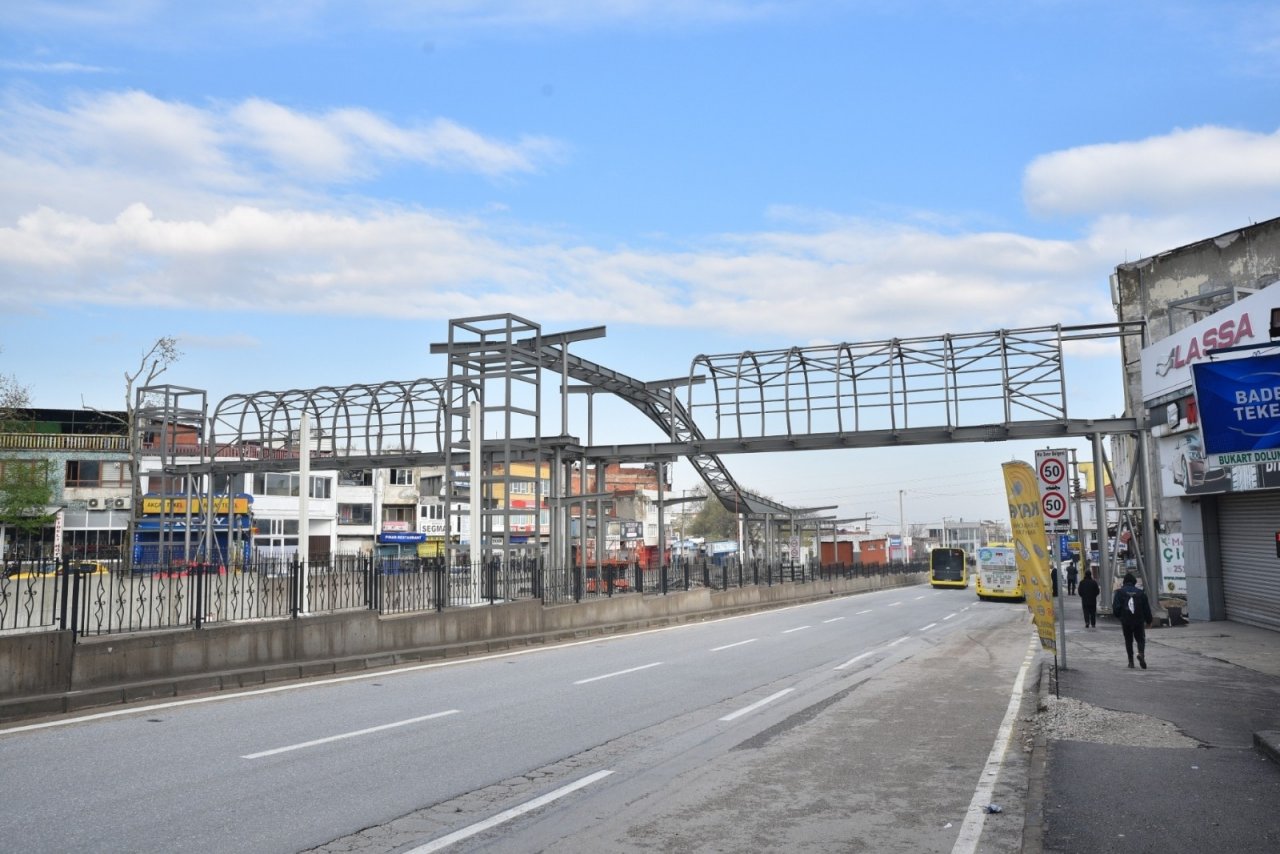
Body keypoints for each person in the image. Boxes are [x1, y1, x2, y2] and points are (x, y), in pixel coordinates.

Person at [1112, 572, 1154, 668]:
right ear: (1134, 582)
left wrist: (1120, 617)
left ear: (1125, 582)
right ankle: (1141, 654)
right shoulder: (1140, 593)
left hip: (1126, 620)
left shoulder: (1120, 592)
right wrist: (1149, 621)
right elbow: (1146, 608)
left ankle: (1131, 662)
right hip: (1138, 620)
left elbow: (1116, 608)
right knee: (1140, 639)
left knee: (1128, 640)